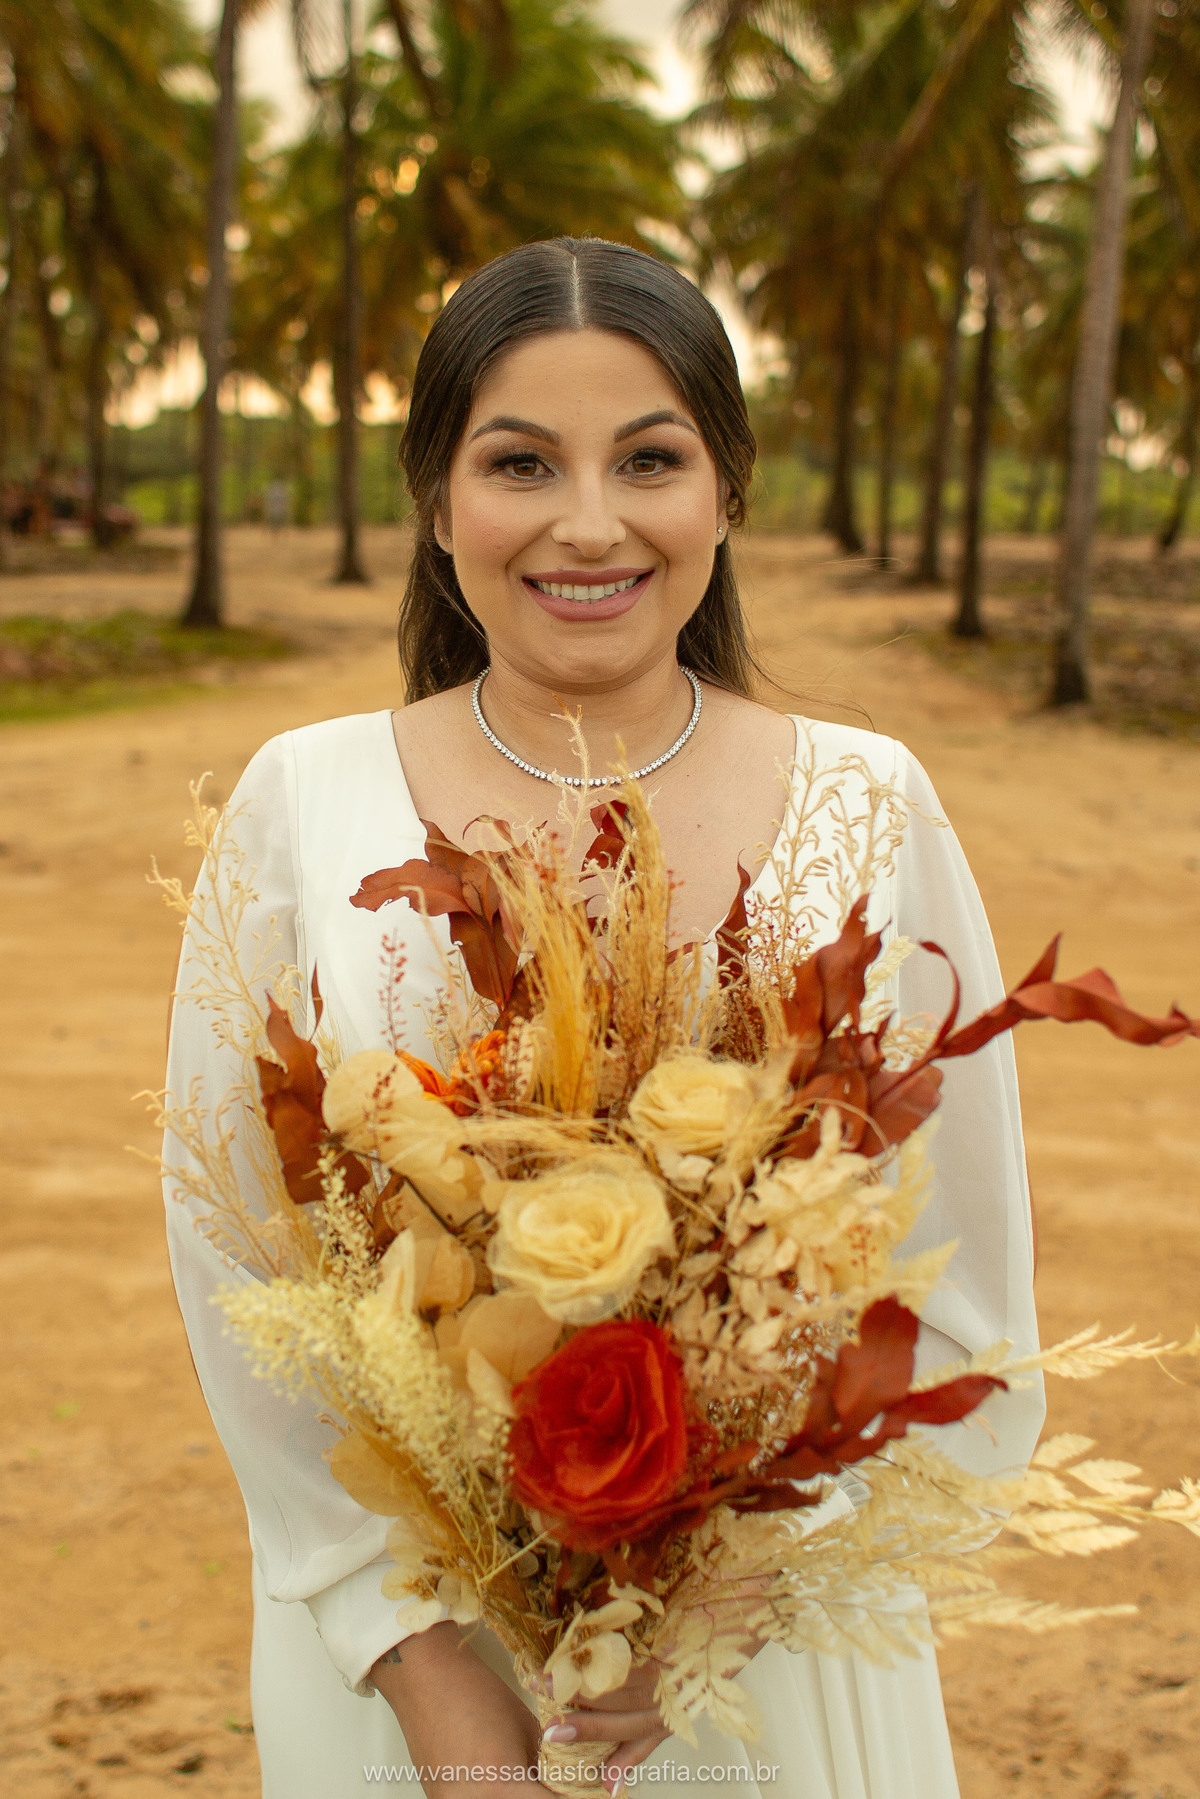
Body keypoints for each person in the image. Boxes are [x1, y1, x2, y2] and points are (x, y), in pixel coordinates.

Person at [162, 237, 1043, 1799]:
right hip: (415, 1669)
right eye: (521, 463)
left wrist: (733, 1593)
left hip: (773, 1673)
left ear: (729, 490)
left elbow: (957, 1282)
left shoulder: (868, 802)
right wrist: (424, 1669)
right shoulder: (304, 801)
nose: (588, 521)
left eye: (649, 458)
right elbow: (240, 1259)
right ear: (439, 502)